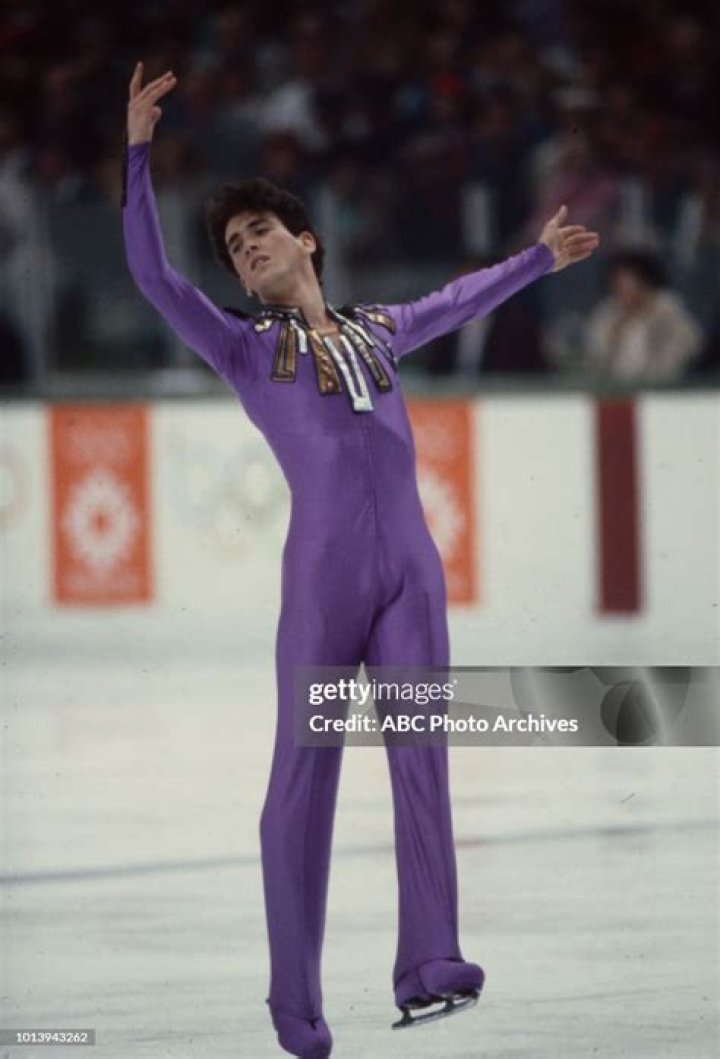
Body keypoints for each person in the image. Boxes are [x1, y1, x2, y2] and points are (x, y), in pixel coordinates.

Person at [122, 63, 600, 1059]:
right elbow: (156, 279)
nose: (247, 248)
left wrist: (537, 260)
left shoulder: (380, 330)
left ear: (308, 240)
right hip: (324, 582)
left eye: (260, 231)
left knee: (424, 763)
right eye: (234, 246)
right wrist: (135, 153)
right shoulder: (241, 348)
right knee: (303, 783)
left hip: (411, 577)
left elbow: (457, 300)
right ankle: (294, 1002)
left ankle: (431, 960)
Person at [582, 249, 702, 382]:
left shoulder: (670, 316)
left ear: (646, 282)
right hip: (614, 389)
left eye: (631, 282)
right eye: (618, 283)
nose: (624, 290)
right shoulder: (607, 316)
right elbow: (595, 360)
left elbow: (677, 359)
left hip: (660, 388)